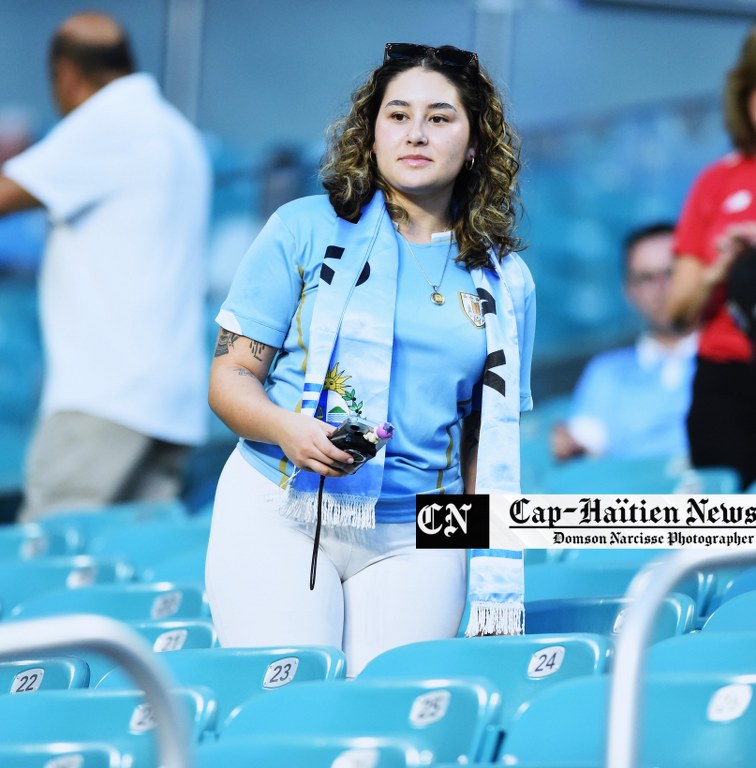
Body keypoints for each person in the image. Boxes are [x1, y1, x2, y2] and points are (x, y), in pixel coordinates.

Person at [205, 43, 535, 675]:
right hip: (280, 508)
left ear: (474, 144)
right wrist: (287, 428)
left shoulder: (508, 280)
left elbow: (483, 442)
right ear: (372, 132)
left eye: (440, 118)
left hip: (422, 530)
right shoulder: (301, 228)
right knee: (291, 718)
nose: (416, 132)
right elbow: (229, 378)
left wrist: (488, 563)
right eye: (397, 114)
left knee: (384, 726)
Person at [0, 13, 212, 520]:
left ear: (66, 75)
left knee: (48, 567)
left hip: (105, 399)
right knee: (129, 570)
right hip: (168, 402)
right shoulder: (177, 133)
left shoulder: (110, 121)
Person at [665, 26, 756, 491]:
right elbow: (676, 311)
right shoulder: (715, 182)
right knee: (723, 533)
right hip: (727, 383)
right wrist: (719, 268)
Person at [551, 223, 697, 462]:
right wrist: (571, 445)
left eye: (671, 272)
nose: (661, 288)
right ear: (630, 291)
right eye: (646, 278)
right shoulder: (605, 373)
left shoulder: (738, 357)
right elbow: (587, 439)